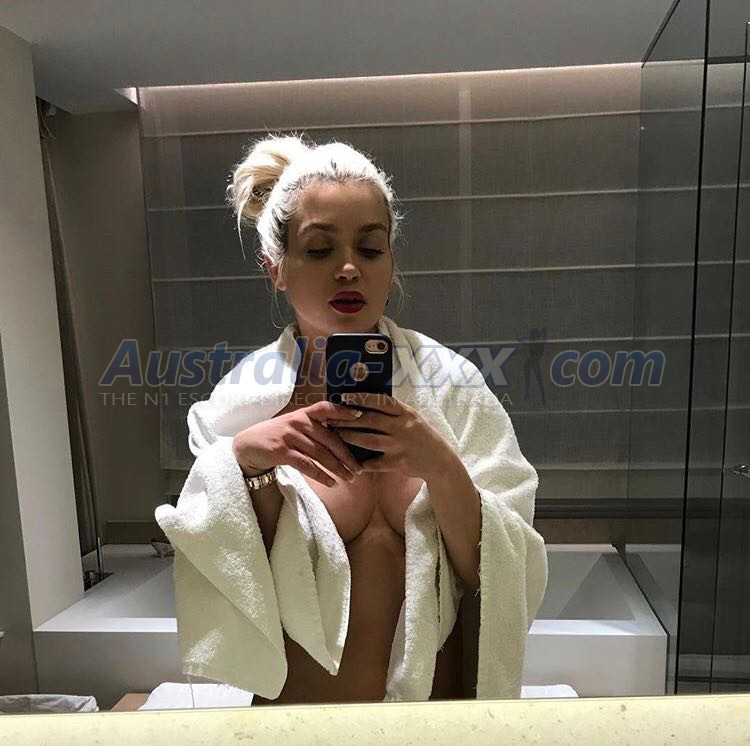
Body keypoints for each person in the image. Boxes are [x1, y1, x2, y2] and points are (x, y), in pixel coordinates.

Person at [198, 132, 540, 704]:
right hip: (300, 724)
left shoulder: (453, 388)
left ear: (391, 262)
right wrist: (244, 465)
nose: (349, 268)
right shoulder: (242, 406)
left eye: (371, 248)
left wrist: (440, 466)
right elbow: (231, 581)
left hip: (433, 728)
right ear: (276, 269)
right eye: (320, 249)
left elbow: (505, 575)